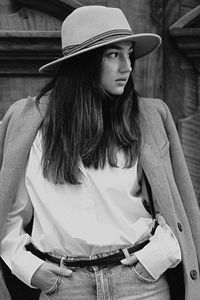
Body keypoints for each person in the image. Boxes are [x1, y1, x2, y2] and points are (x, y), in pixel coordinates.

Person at [0, 5, 200, 300]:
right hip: (64, 286)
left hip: (141, 284)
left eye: (128, 53)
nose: (127, 66)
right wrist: (28, 268)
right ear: (83, 63)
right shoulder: (29, 122)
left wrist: (158, 255)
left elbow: (174, 202)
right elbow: (8, 213)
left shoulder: (148, 117)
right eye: (113, 54)